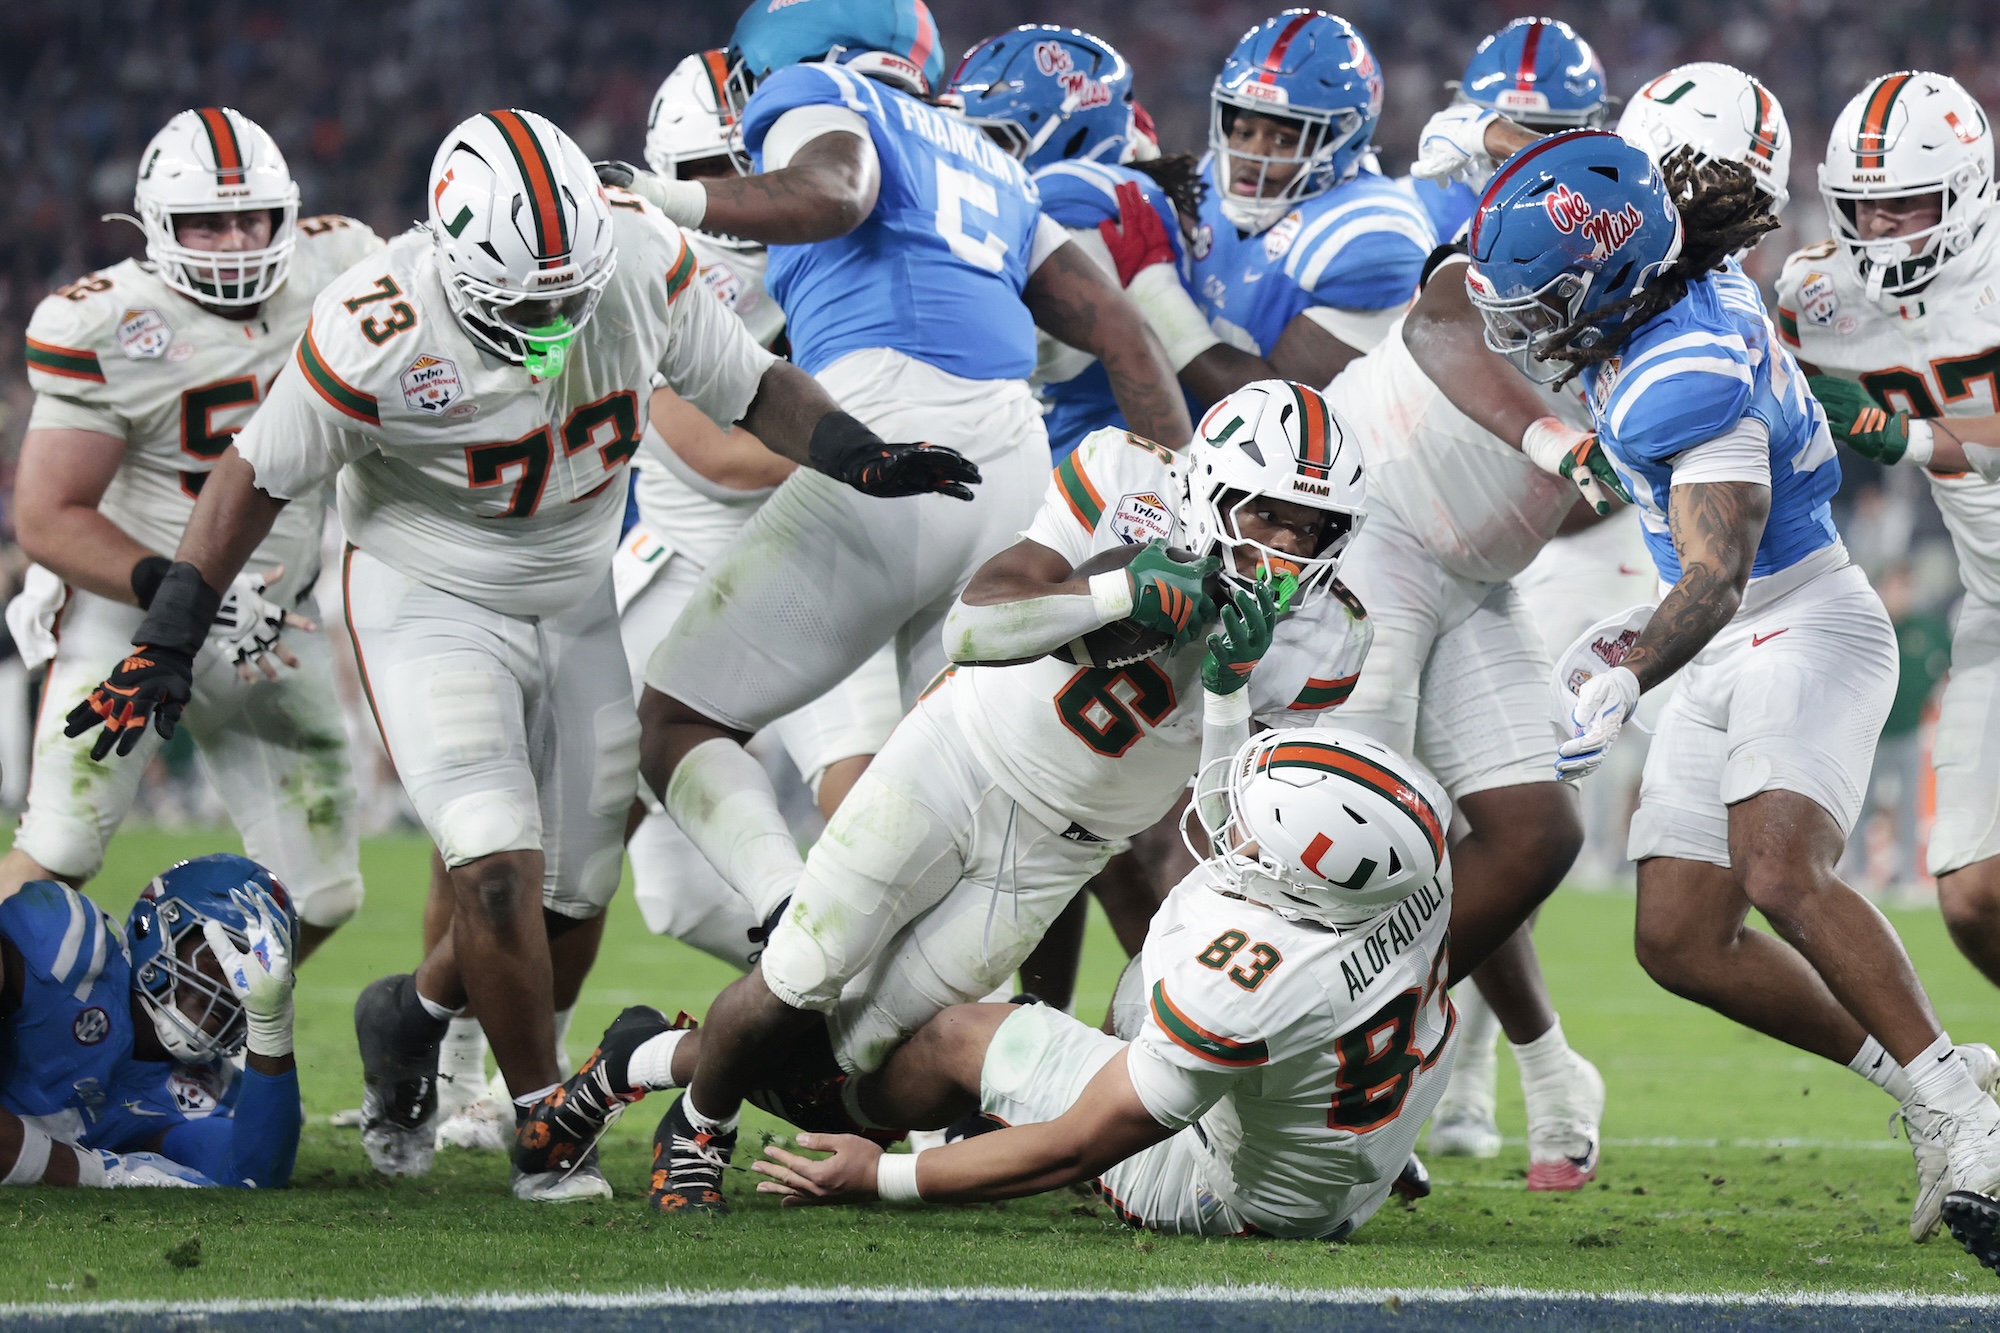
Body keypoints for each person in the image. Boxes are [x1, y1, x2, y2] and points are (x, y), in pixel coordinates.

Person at [61, 108, 972, 1204]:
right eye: (521, 299)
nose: (548, 316)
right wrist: (168, 634)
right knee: (494, 858)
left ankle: (408, 1014)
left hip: (576, 592)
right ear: (451, 259)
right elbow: (252, 477)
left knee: (574, 895)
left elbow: (751, 385)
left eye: (562, 291)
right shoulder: (377, 321)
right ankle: (545, 1124)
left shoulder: (634, 256)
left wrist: (852, 453)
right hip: (428, 593)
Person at [519, 381, 1373, 1215]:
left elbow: (1235, 834)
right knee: (801, 972)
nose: (1289, 545)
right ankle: (701, 1127)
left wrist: (1226, 691)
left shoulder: (1333, 633)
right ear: (1209, 487)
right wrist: (1114, 590)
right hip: (958, 756)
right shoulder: (1125, 479)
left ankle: (630, 1058)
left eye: (1315, 526)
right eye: (1267, 512)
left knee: (853, 1069)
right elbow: (973, 624)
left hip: (1060, 846)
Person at [1465, 128, 2000, 1260]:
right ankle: (1931, 1083)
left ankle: (1967, 1119)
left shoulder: (1682, 369)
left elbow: (1718, 571)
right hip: (1731, 633)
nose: (1528, 327)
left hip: (1798, 619)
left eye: (1545, 299)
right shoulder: (1669, 291)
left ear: (1612, 276)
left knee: (1774, 870)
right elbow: (1692, 570)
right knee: (1678, 938)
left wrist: (1629, 668)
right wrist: (1645, 625)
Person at [603, 0, 1193, 985]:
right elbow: (1126, 336)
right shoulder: (991, 161)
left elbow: (836, 189)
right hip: (1011, 453)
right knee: (967, 783)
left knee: (671, 722)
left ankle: (793, 928)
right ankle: (973, 1069)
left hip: (885, 423)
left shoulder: (821, 91)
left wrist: (670, 200)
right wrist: (1179, 518)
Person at [1416, 61, 1797, 1168]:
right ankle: (1496, 1070)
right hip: (1529, 546)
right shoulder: (1580, 223)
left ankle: (1499, 1066)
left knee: (1511, 816)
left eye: (1721, 179)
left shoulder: (1702, 316)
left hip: (1630, 568)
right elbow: (1448, 318)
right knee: (1482, 817)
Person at [748, 727, 1455, 1242]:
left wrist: (882, 1177)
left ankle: (836, 1104)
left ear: (1303, 879)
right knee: (1140, 995)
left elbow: (1079, 1143)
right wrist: (1228, 693)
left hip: (1242, 1196)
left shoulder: (1246, 983)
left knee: (959, 1034)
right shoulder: (1411, 873)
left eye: (1254, 835)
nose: (1232, 826)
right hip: (1363, 1147)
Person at [5, 107, 374, 960]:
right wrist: (181, 592)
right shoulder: (102, 322)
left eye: (253, 217)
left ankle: (163, 1030)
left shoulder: (344, 264)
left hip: (272, 627)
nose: (237, 240)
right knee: (58, 849)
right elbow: (48, 514)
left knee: (321, 894)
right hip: (133, 619)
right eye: (207, 222)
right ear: (154, 225)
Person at [1775, 71, 2000, 992]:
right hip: (1993, 608)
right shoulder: (1819, 293)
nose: (1885, 232)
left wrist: (1909, 436)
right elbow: (1765, 392)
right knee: (1974, 897)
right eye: (1865, 210)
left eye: (1908, 206)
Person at [1169, 11, 1436, 405]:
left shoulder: (1370, 234)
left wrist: (1152, 298)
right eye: (1243, 131)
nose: (1251, 155)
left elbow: (1276, 409)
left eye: (1283, 139)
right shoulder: (1211, 173)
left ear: (1342, 138)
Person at [0, 854, 299, 1191]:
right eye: (223, 953)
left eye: (262, 966)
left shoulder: (204, 1091)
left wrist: (271, 1026)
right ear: (155, 928)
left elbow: (251, 1175)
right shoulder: (67, 948)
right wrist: (100, 1173)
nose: (235, 984)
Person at [1406, 18, 1610, 243]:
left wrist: (1494, 134)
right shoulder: (1410, 206)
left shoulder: (1609, 208)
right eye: (1494, 122)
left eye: (1548, 132)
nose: (1508, 156)